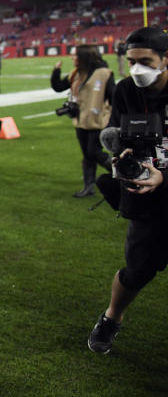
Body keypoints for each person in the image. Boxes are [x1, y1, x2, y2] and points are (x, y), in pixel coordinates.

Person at [86, 27, 168, 354]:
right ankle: (112, 317)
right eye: (131, 61)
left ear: (165, 59)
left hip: (161, 181)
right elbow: (123, 135)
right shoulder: (125, 90)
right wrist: (122, 157)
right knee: (135, 271)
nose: (137, 69)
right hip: (145, 196)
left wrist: (164, 176)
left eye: (145, 61)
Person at [50, 45, 114, 197]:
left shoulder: (104, 73)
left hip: (98, 121)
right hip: (80, 121)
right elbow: (58, 87)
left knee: (94, 151)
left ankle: (120, 171)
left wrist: (112, 119)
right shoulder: (76, 74)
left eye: (75, 55)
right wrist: (56, 71)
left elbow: (113, 97)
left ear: (84, 57)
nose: (72, 58)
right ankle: (88, 187)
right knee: (87, 155)